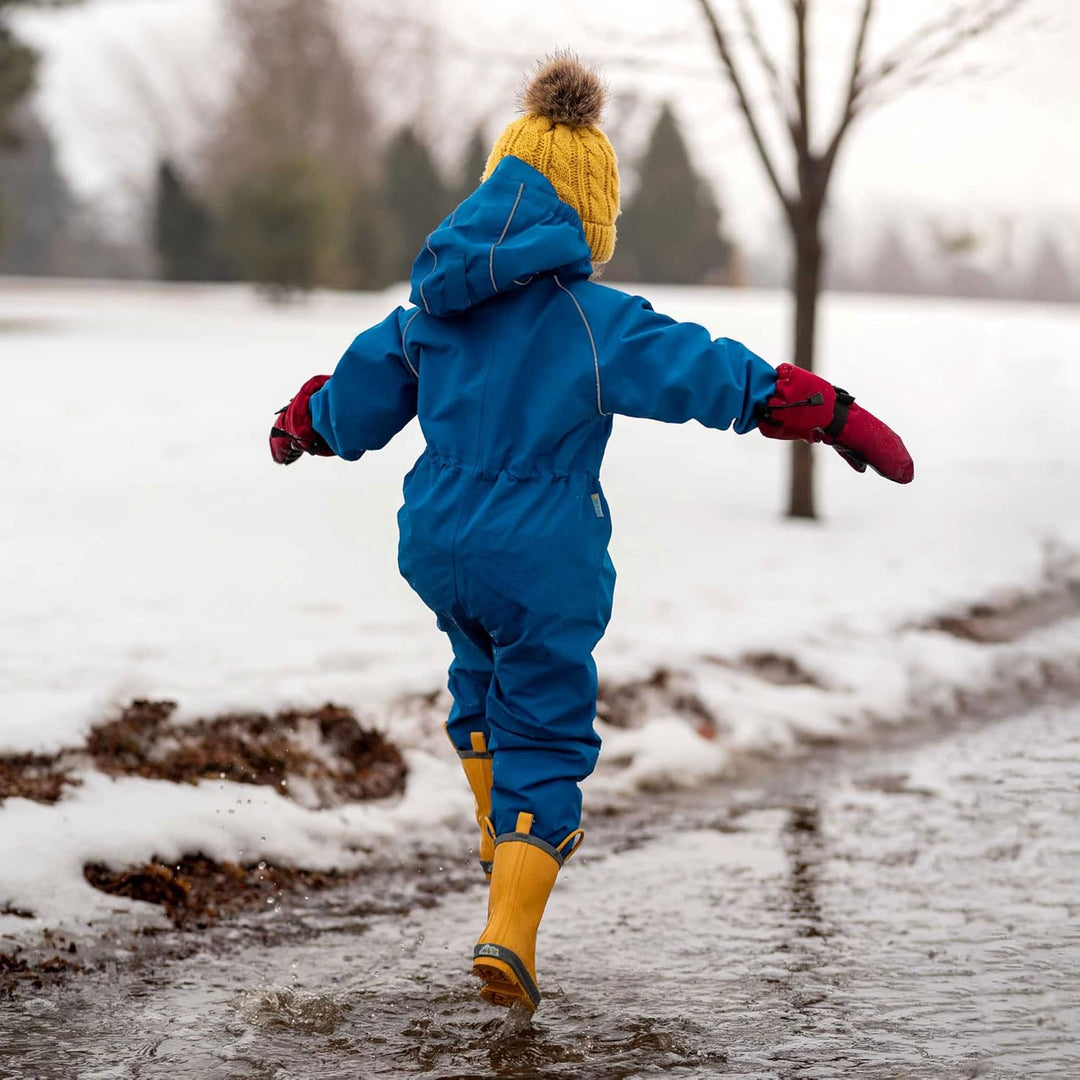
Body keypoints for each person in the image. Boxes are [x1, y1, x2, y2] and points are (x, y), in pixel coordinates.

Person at [269, 54, 913, 1013]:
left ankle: (499, 833)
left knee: (478, 671)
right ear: (585, 214)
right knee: (547, 721)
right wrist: (816, 408)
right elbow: (703, 368)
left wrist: (304, 424)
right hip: (540, 551)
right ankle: (510, 928)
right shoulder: (590, 319)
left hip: (438, 542)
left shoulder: (428, 312)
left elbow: (352, 399)